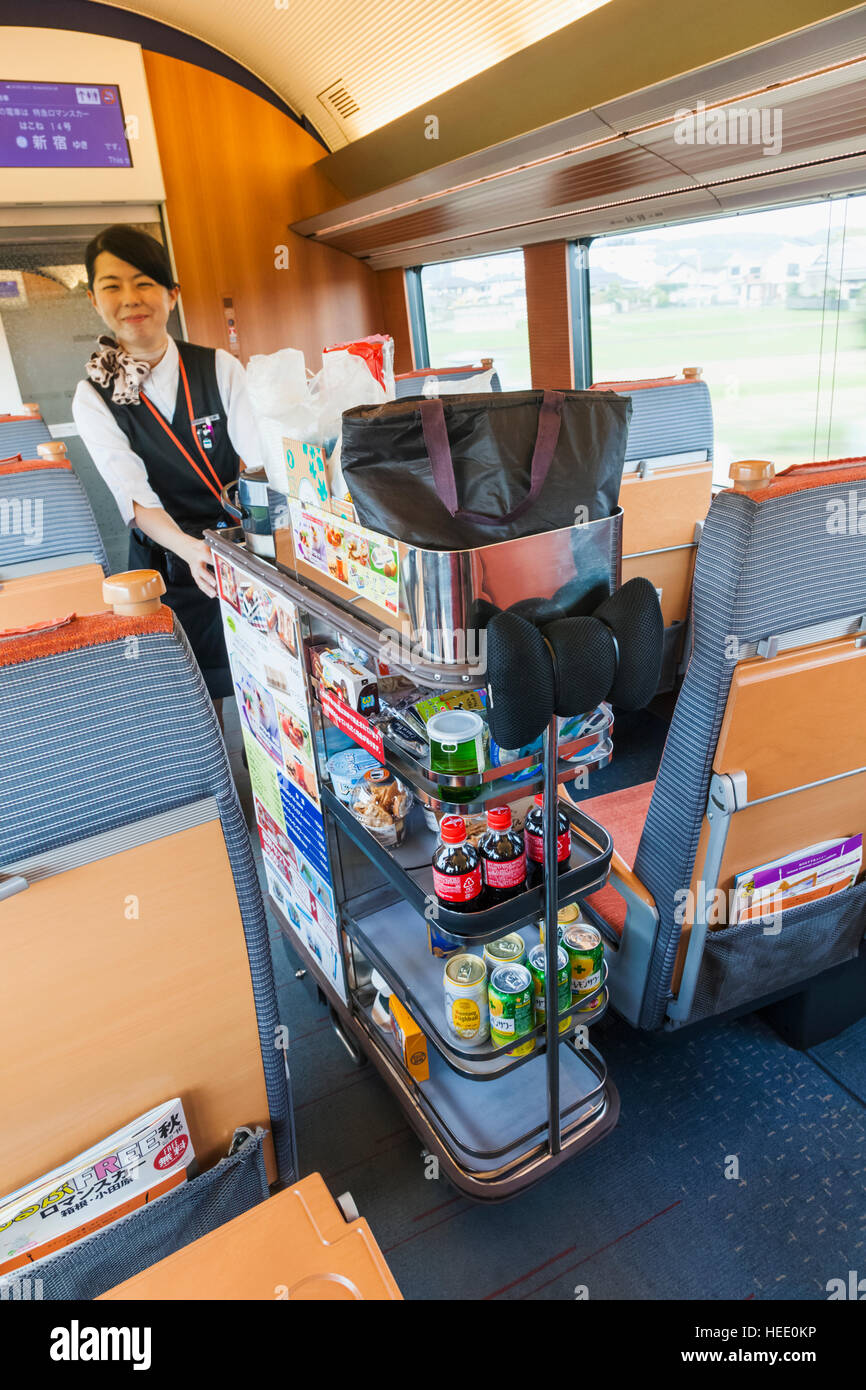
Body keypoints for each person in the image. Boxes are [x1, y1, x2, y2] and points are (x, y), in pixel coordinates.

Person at [72, 224, 261, 721]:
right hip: (167, 565)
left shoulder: (218, 367)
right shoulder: (93, 396)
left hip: (238, 548)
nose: (130, 298)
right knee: (198, 699)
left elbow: (259, 460)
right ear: (94, 299)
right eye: (112, 285)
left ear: (171, 295)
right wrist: (191, 549)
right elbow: (133, 496)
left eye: (144, 283)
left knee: (265, 681)